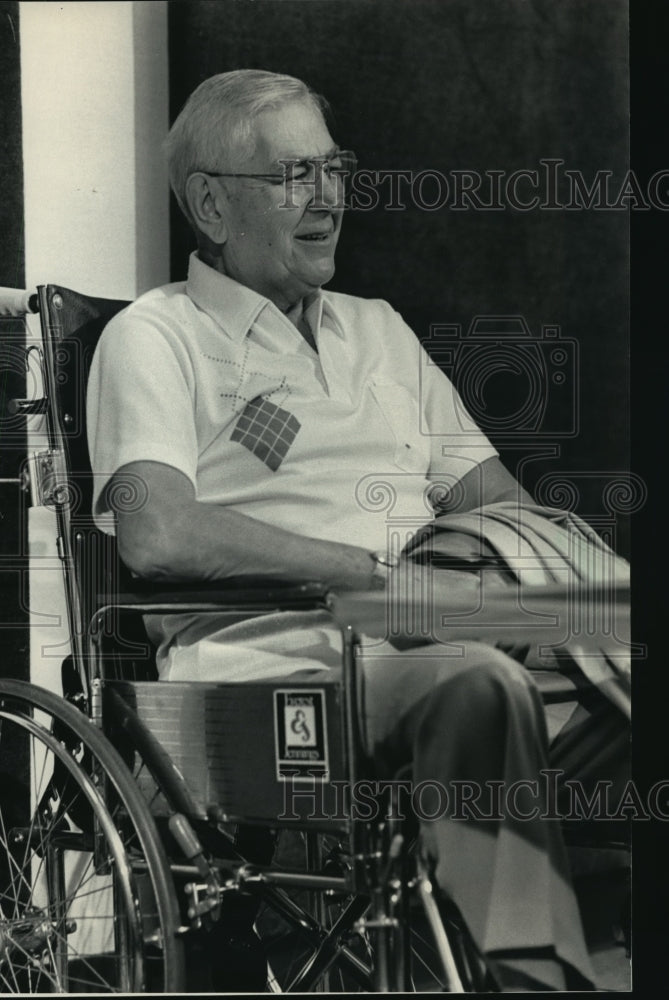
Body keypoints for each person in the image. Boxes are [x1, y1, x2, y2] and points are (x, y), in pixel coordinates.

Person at [87, 69, 627, 991]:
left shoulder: (378, 333)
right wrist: (376, 576)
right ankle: (536, 976)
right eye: (292, 175)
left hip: (429, 620)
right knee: (476, 683)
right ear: (210, 205)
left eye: (332, 168)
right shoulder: (157, 337)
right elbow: (156, 534)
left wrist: (559, 579)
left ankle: (559, 935)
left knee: (615, 627)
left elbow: (493, 501)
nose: (328, 197)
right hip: (278, 664)